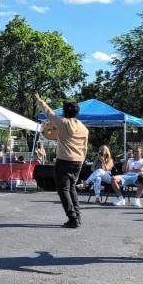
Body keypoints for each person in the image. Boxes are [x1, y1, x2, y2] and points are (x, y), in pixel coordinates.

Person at [34, 92, 89, 228]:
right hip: (78, 161)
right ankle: (78, 216)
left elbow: (49, 112)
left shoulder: (63, 122)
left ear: (65, 112)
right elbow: (85, 147)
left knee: (63, 190)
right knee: (72, 189)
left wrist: (39, 99)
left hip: (64, 160)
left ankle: (72, 218)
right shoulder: (83, 128)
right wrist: (82, 160)